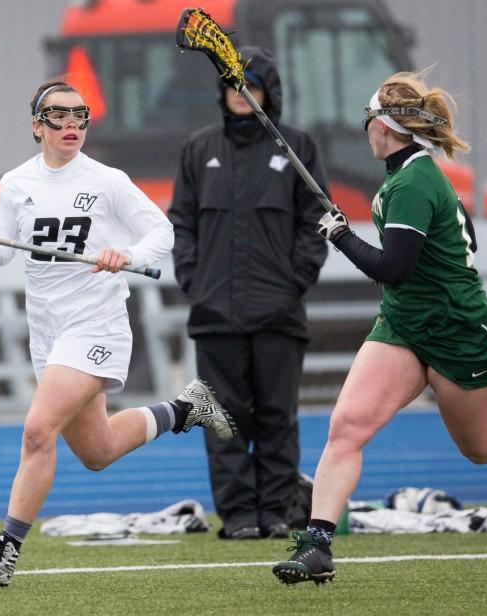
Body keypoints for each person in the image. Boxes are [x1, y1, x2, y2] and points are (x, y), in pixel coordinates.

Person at [271, 70, 487, 584]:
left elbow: (394, 268)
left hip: (460, 329)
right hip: (405, 326)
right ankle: (317, 543)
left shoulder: (413, 181)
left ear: (384, 128)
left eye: (368, 120)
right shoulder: (411, 177)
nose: (365, 130)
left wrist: (340, 235)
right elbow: (453, 237)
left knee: (482, 447)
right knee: (346, 428)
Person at [0, 80, 237, 587]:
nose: (71, 125)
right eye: (58, 116)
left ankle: (3, 552)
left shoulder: (107, 180)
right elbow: (1, 254)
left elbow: (160, 231)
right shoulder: (16, 183)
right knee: (97, 451)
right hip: (48, 333)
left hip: (95, 325)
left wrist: (127, 256)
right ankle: (187, 408)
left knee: (38, 431)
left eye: (80, 115)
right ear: (37, 125)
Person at [169, 47, 329, 540]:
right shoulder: (199, 149)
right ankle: (238, 516)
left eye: (251, 86)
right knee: (222, 421)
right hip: (215, 314)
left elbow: (315, 221)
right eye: (234, 85)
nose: (241, 95)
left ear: (269, 92)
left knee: (278, 419)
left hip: (278, 315)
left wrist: (294, 281)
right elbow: (181, 224)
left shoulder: (297, 147)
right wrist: (195, 280)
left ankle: (277, 513)